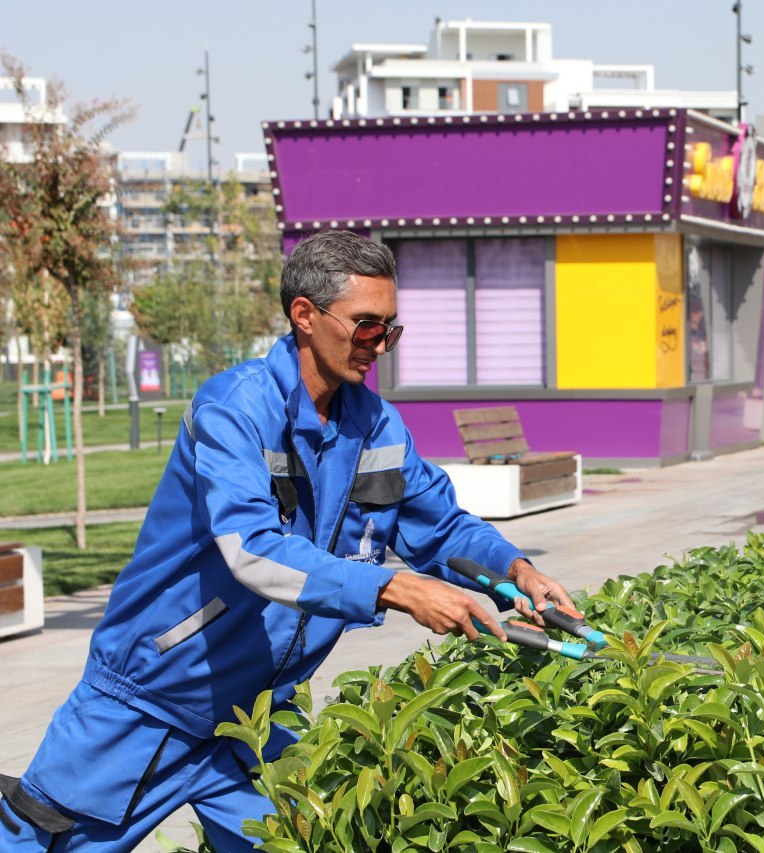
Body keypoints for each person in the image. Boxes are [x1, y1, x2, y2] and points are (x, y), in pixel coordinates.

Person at [0, 231, 572, 850]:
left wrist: (516, 571)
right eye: (365, 326)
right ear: (304, 315)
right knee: (38, 842)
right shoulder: (235, 409)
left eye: (390, 329)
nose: (379, 345)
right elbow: (252, 548)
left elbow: (440, 526)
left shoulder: (377, 424)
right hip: (150, 701)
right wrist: (396, 587)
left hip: (261, 718)